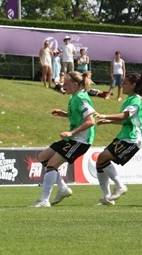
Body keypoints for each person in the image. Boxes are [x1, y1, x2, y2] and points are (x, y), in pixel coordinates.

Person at [31, 71, 95, 207]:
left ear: (75, 84)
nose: (63, 85)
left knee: (52, 165)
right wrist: (65, 114)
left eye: (66, 83)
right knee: (43, 157)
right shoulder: (74, 97)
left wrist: (72, 133)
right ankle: (63, 188)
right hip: (74, 139)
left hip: (80, 140)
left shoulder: (81, 98)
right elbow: (79, 116)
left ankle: (44, 200)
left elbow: (90, 121)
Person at [94, 73, 142, 205]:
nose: (122, 85)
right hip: (125, 136)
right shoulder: (131, 99)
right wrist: (107, 121)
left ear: (133, 85)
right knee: (100, 161)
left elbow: (125, 115)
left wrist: (104, 115)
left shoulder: (136, 100)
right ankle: (107, 198)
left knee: (102, 158)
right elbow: (128, 121)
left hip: (131, 138)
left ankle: (119, 186)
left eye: (125, 83)